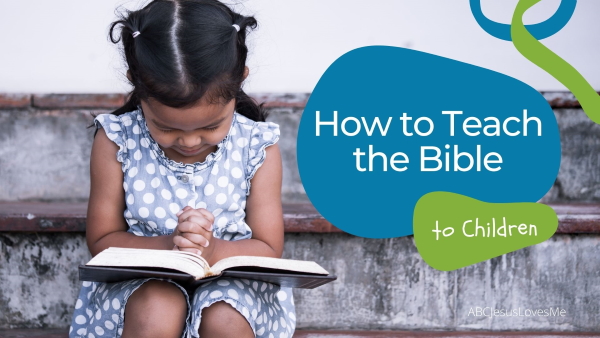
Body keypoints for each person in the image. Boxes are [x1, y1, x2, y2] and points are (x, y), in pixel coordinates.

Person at [69, 1, 295, 337]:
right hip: (140, 281)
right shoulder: (118, 140)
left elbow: (268, 246)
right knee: (157, 306)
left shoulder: (256, 146)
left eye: (211, 126)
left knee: (224, 317)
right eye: (166, 127)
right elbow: (102, 240)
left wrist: (213, 250)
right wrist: (171, 245)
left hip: (235, 287)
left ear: (239, 82)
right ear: (137, 85)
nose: (189, 142)